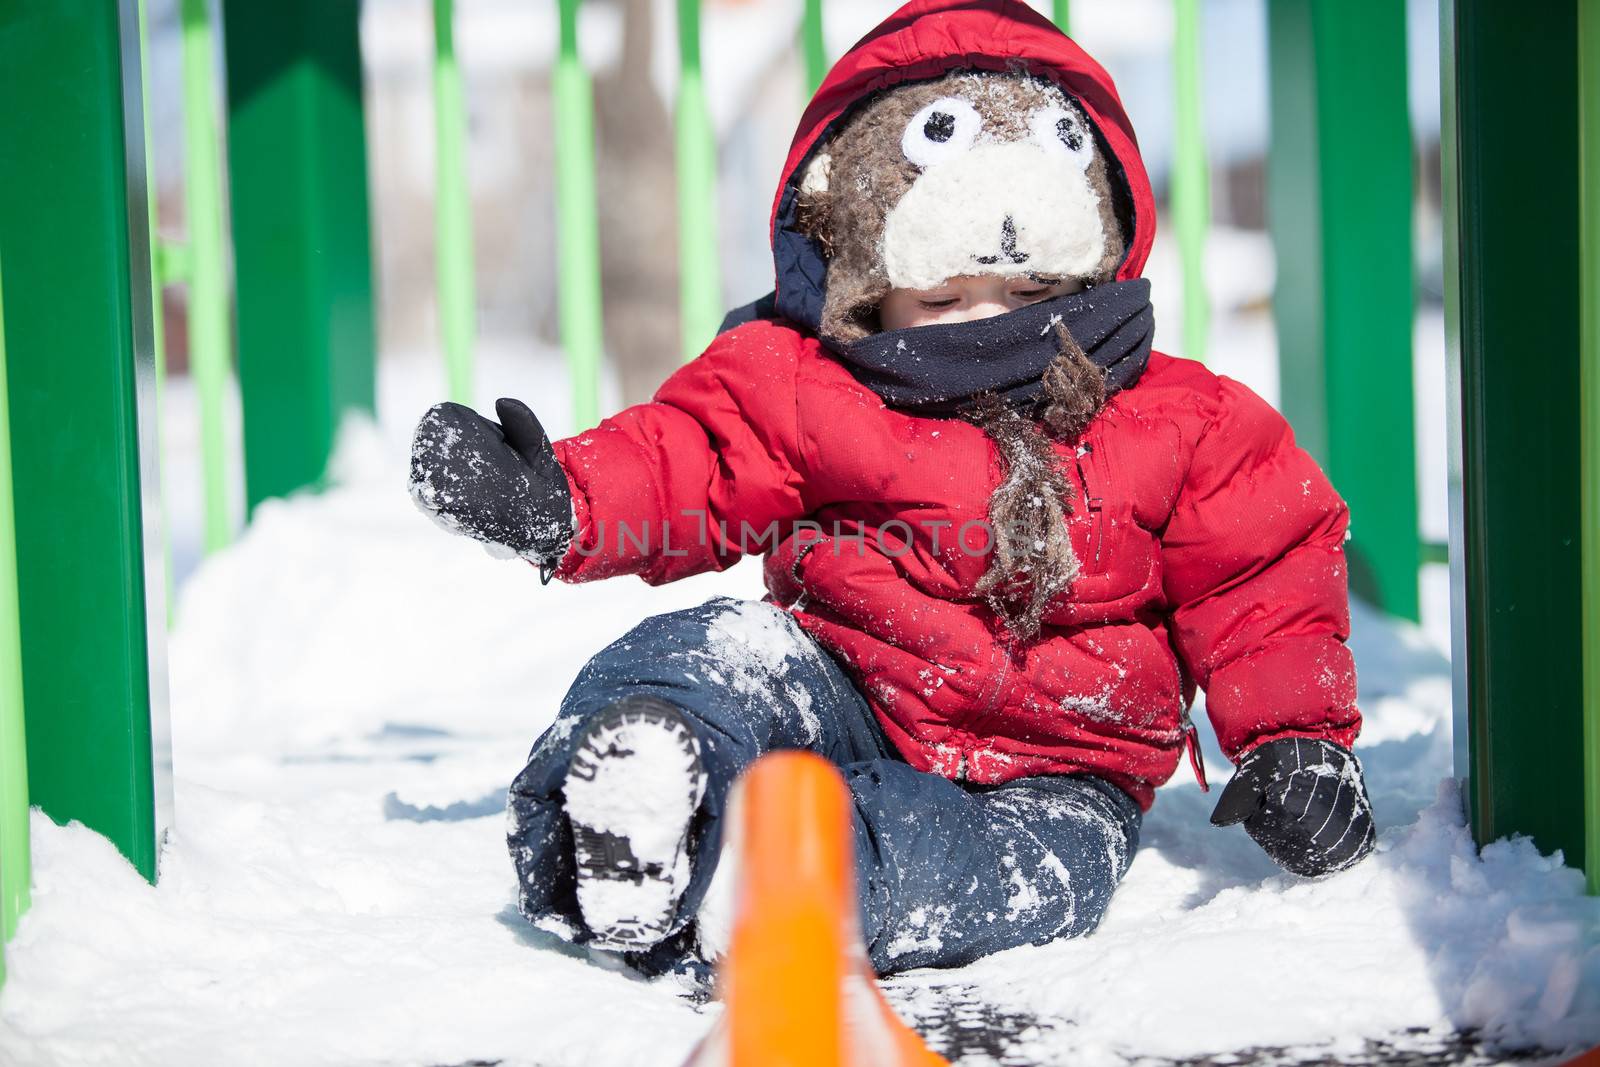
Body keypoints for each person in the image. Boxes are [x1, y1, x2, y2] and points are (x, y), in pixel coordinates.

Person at [408, 0, 1375, 979]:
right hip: (847, 685)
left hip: (1063, 765)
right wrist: (559, 498)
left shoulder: (1180, 416)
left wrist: (1296, 738)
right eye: (946, 299)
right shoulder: (815, 379)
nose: (992, 323)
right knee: (720, 651)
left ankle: (793, 870)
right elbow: (694, 451)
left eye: (1034, 296)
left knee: (1020, 873)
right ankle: (646, 793)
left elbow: (1261, 577)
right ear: (863, 282)